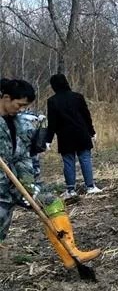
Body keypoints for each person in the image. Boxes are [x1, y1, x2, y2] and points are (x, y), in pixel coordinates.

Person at [0, 78, 99, 268]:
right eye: (19, 104)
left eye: (24, 106)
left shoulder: (21, 123)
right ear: (5, 98)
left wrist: (28, 183)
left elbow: (23, 156)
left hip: (19, 183)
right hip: (1, 189)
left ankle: (70, 254)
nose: (21, 109)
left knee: (52, 202)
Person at [45, 73, 102, 199]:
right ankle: (90, 187)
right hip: (81, 132)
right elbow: (86, 116)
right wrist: (92, 131)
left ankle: (70, 190)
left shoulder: (52, 101)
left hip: (65, 136)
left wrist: (48, 140)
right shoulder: (77, 97)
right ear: (66, 82)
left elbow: (52, 122)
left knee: (68, 162)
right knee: (85, 159)